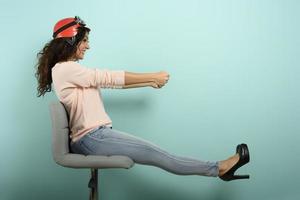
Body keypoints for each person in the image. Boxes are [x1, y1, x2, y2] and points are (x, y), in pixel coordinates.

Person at [35, 16, 250, 181]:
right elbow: (107, 77)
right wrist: (152, 75)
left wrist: (149, 82)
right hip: (92, 138)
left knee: (159, 154)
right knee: (160, 155)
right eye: (84, 40)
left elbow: (104, 81)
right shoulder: (64, 69)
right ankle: (219, 168)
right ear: (71, 41)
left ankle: (218, 168)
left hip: (95, 137)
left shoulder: (69, 70)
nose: (88, 46)